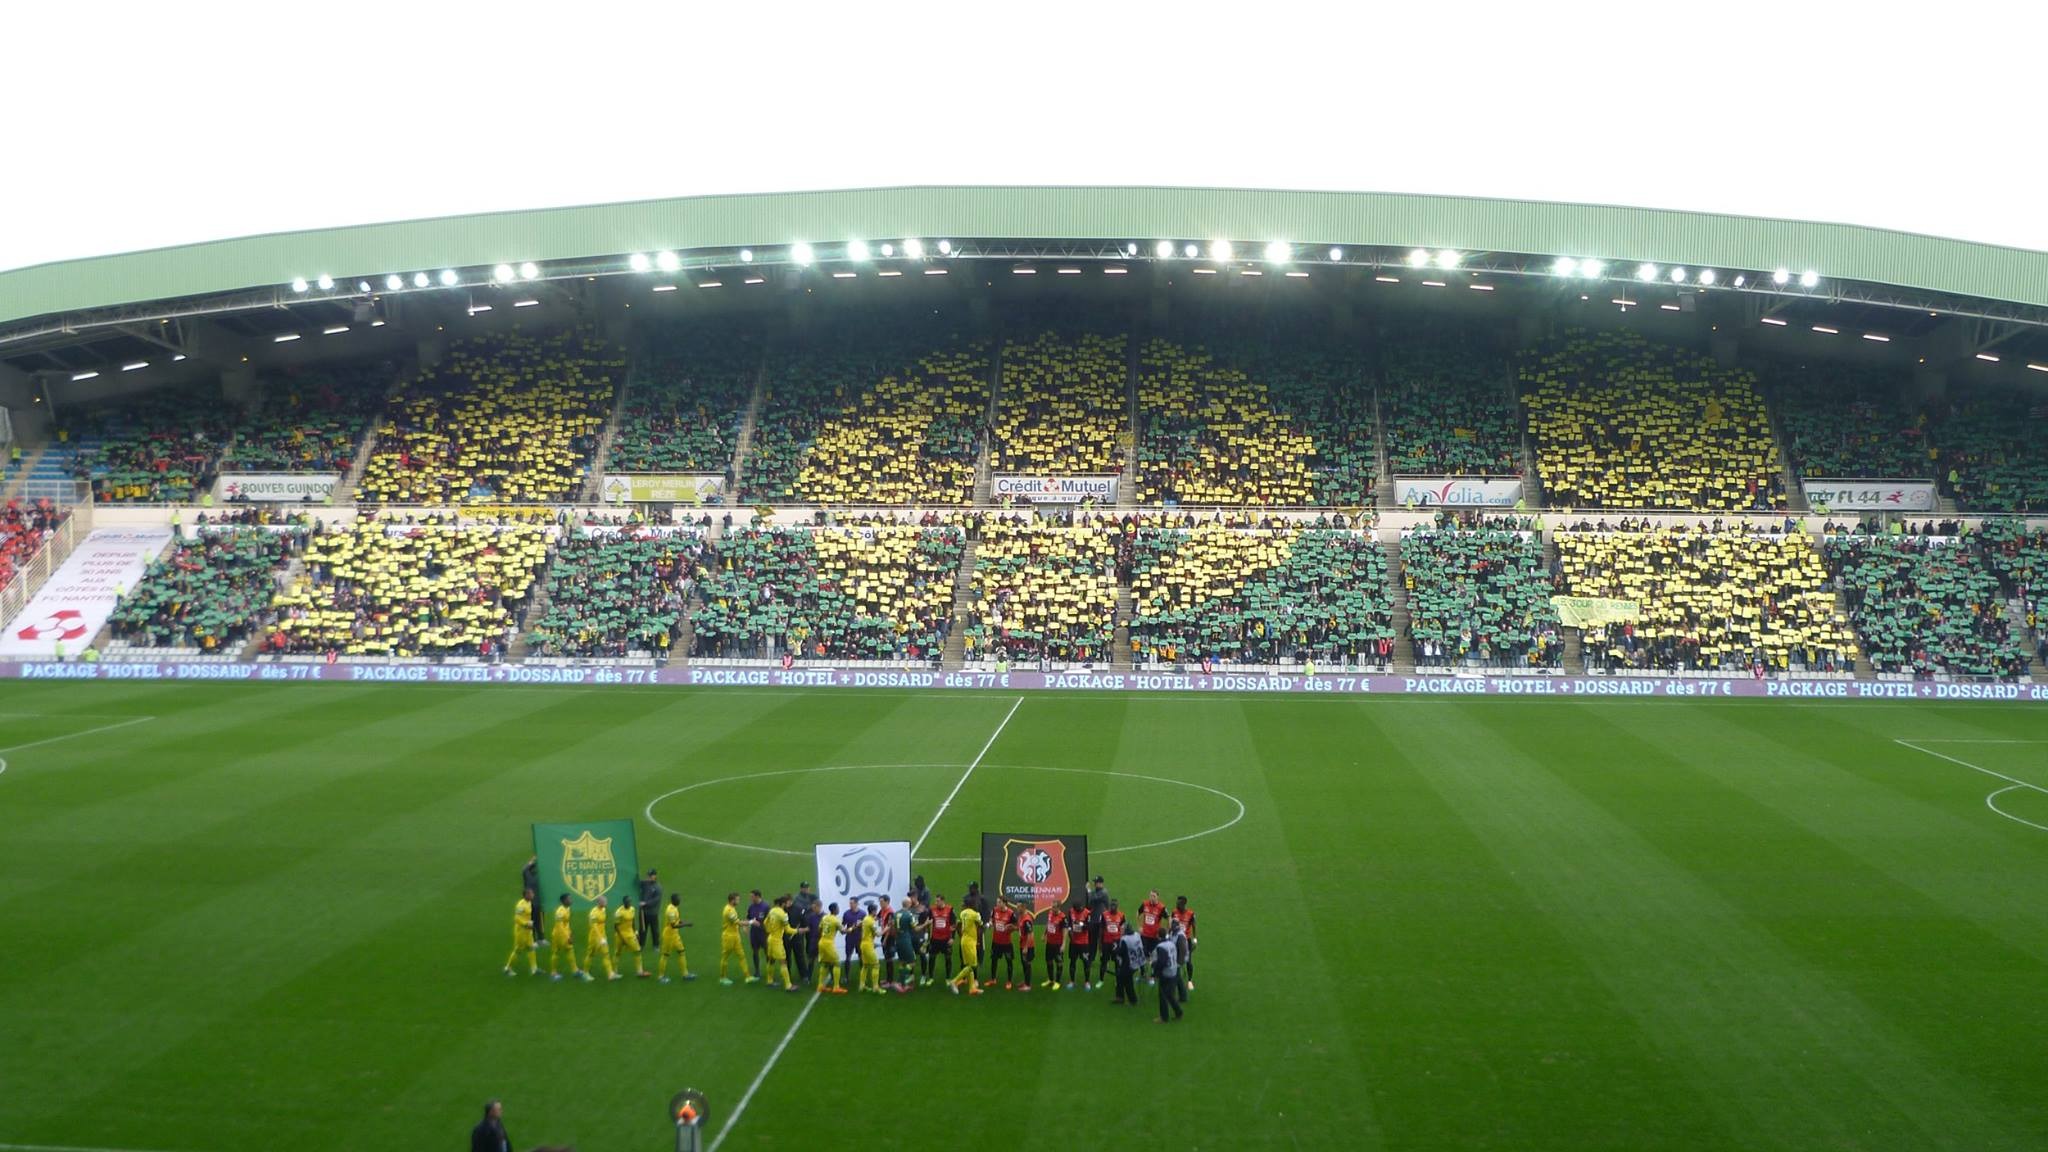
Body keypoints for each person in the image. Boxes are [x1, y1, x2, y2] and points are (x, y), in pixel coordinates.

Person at [719, 892, 756, 985]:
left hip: (735, 936)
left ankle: (747, 976)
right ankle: (722, 977)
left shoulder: (732, 909)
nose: (739, 901)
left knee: (741, 955)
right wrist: (751, 922)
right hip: (728, 937)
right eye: (737, 899)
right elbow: (738, 923)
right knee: (725, 957)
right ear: (732, 900)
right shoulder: (728, 910)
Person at [948, 900, 984, 995]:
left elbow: (960, 924)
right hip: (970, 942)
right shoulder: (975, 914)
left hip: (963, 940)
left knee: (968, 965)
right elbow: (981, 924)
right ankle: (954, 981)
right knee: (972, 966)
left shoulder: (962, 913)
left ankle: (972, 988)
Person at [658, 894, 694, 983]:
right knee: (665, 955)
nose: (680, 900)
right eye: (678, 899)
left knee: (682, 952)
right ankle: (661, 976)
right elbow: (674, 925)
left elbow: (677, 920)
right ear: (674, 900)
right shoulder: (670, 911)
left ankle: (685, 974)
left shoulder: (674, 908)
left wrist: (684, 921)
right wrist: (687, 924)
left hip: (675, 935)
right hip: (669, 936)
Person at [764, 895, 796, 991]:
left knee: (771, 960)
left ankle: (769, 980)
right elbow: (788, 930)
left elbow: (765, 922)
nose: (787, 905)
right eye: (786, 903)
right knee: (783, 962)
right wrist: (798, 931)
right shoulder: (783, 914)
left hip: (770, 938)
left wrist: (769, 930)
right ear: (783, 904)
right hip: (777, 941)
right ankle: (788, 985)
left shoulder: (772, 910)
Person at [505, 888, 539, 977]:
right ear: (526, 895)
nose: (533, 894)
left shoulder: (529, 903)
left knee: (531, 948)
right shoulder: (520, 905)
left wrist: (530, 923)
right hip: (521, 931)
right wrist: (526, 923)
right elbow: (516, 918)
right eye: (531, 893)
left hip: (528, 931)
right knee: (518, 950)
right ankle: (508, 968)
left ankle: (534, 968)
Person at [791, 881, 819, 983]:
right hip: (802, 924)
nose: (806, 889)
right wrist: (809, 908)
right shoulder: (797, 898)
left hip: (811, 924)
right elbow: (800, 909)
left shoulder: (812, 896)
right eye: (804, 888)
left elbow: (817, 904)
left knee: (811, 943)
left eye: (808, 887)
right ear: (801, 888)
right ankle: (804, 971)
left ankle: (810, 958)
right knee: (800, 946)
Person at [1137, 890, 1167, 985]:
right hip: (1145, 935)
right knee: (1142, 956)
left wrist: (1165, 931)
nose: (1151, 897)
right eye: (1150, 895)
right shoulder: (1145, 904)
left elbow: (1169, 918)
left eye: (1154, 896)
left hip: (1155, 937)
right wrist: (1139, 926)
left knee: (1154, 958)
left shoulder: (1161, 907)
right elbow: (1138, 912)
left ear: (1157, 897)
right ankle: (1142, 974)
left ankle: (1153, 977)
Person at [548, 894, 581, 981]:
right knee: (559, 951)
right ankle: (554, 973)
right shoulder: (560, 912)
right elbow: (560, 926)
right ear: (564, 901)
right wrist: (567, 937)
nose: (571, 900)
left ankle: (574, 970)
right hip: (559, 935)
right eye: (569, 899)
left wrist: (570, 932)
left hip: (563, 933)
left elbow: (566, 924)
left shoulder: (567, 909)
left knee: (566, 950)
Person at [815, 903, 846, 994]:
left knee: (824, 964)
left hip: (822, 942)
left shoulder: (825, 917)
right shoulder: (836, 920)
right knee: (837, 964)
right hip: (828, 943)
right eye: (838, 908)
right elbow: (843, 932)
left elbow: (819, 929)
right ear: (835, 910)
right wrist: (852, 928)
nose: (838, 909)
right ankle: (836, 987)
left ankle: (820, 986)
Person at [1153, 931, 1183, 1023]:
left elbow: (1162, 962)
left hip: (1166, 973)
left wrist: (1155, 971)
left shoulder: (1160, 947)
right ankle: (1178, 1012)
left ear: (1158, 936)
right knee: (1169, 994)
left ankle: (1164, 1017)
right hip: (1174, 970)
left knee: (1162, 995)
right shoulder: (1171, 943)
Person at [925, 894, 955, 986]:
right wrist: (928, 936)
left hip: (946, 939)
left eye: (938, 901)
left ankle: (948, 978)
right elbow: (928, 922)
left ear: (943, 901)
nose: (936, 902)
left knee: (948, 959)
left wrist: (952, 938)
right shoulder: (932, 910)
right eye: (936, 901)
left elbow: (953, 925)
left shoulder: (950, 910)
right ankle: (930, 978)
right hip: (935, 939)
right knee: (932, 958)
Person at [891, 897, 920, 992]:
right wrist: (926, 924)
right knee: (912, 962)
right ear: (908, 904)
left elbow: (893, 928)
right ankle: (901, 983)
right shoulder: (908, 915)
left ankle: (904, 983)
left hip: (898, 940)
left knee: (902, 962)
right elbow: (915, 929)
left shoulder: (896, 914)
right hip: (905, 940)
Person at [613, 898, 647, 978]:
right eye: (627, 902)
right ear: (624, 903)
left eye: (630, 902)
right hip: (620, 935)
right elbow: (616, 927)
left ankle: (639, 971)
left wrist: (635, 931)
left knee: (637, 950)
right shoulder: (619, 912)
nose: (629, 903)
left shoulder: (632, 909)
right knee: (617, 953)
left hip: (630, 934)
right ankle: (614, 972)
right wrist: (622, 938)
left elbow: (633, 921)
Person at [1116, 921, 1147, 1007]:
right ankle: (1120, 997)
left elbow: (1121, 952)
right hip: (1138, 961)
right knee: (1120, 977)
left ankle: (1132, 1000)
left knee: (1127, 981)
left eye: (1122, 929)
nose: (1121, 930)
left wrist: (1115, 948)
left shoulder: (1125, 939)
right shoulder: (1136, 935)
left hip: (1129, 963)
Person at [987, 902, 1018, 988]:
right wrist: (990, 923)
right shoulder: (995, 910)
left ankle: (1009, 981)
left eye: (999, 902)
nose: (997, 904)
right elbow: (991, 919)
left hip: (1006, 943)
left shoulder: (1011, 913)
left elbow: (1017, 927)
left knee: (1009, 961)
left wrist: (1010, 927)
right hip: (996, 941)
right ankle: (993, 979)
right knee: (993, 960)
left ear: (1004, 903)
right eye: (997, 902)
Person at [1172, 895, 1198, 993]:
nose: (1176, 905)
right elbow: (1171, 925)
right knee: (1174, 959)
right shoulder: (1174, 912)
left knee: (1188, 961)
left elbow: (1194, 926)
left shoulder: (1190, 914)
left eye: (1178, 903)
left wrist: (1195, 938)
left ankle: (1190, 980)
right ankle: (1174, 979)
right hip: (1176, 940)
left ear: (1183, 904)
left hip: (1186, 940)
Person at [1065, 899, 1093, 990]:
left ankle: (1087, 982)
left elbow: (1089, 927)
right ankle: (1072, 981)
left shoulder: (1087, 913)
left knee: (1086, 962)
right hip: (1073, 942)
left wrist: (1079, 924)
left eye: (1079, 909)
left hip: (1084, 943)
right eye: (1076, 909)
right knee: (1072, 961)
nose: (1078, 910)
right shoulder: (1071, 911)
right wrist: (1070, 931)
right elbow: (1068, 924)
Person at [857, 901, 883, 994]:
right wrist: (887, 928)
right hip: (868, 945)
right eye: (876, 911)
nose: (876, 912)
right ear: (873, 911)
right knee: (876, 965)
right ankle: (876, 987)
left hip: (863, 944)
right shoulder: (871, 921)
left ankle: (862, 985)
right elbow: (878, 934)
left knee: (865, 966)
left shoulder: (866, 918)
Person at [638, 869, 664, 960]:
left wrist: (645, 903)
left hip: (653, 912)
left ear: (655, 876)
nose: (648, 877)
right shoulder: (645, 884)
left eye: (650, 876)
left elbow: (656, 900)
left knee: (654, 930)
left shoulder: (658, 887)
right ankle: (641, 944)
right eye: (648, 876)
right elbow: (636, 883)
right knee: (642, 929)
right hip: (643, 912)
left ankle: (656, 945)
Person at [1041, 905, 1066, 990]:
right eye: (1052, 907)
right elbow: (1048, 924)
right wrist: (1044, 934)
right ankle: (1051, 979)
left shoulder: (1063, 917)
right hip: (1049, 943)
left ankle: (1057, 982)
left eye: (1054, 907)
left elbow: (1065, 931)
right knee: (1049, 961)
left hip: (1058, 944)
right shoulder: (1050, 913)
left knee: (1059, 962)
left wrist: (1063, 944)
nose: (1052, 909)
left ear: (1059, 907)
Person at [746, 890, 770, 977]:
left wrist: (763, 926)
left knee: (767, 952)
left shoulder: (766, 906)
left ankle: (769, 971)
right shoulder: (751, 907)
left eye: (752, 896)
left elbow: (770, 920)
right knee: (755, 951)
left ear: (757, 896)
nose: (750, 898)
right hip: (754, 933)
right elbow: (748, 918)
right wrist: (746, 926)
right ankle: (757, 971)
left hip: (764, 933)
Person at [521, 856, 542, 943]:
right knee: (531, 921)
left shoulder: (537, 877)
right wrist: (532, 861)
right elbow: (524, 869)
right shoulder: (527, 876)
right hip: (530, 904)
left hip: (538, 903)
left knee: (539, 921)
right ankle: (533, 939)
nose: (534, 871)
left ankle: (541, 938)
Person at [1017, 914, 1036, 993]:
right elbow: (1021, 929)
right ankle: (1025, 981)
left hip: (1028, 946)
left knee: (1027, 964)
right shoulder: (1021, 917)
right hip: (1022, 944)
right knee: (1024, 964)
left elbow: (1030, 934)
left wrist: (1026, 947)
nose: (1017, 908)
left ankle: (1027, 985)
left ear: (1023, 907)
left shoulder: (1027, 920)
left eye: (1019, 906)